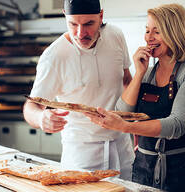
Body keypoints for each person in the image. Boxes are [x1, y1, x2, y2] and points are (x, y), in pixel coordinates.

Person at [85, 3, 185, 191]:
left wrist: (126, 127)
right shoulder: (148, 73)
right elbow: (123, 112)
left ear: (175, 32)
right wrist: (138, 73)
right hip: (145, 168)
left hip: (184, 170)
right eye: (147, 31)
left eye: (157, 32)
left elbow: (177, 125)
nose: (149, 38)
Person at [23, 0, 134, 180]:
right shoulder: (54, 56)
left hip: (122, 147)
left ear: (101, 16)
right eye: (73, 24)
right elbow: (30, 107)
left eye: (89, 24)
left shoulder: (116, 35)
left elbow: (127, 82)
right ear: (65, 16)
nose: (81, 33)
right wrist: (41, 118)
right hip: (81, 155)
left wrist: (135, 128)